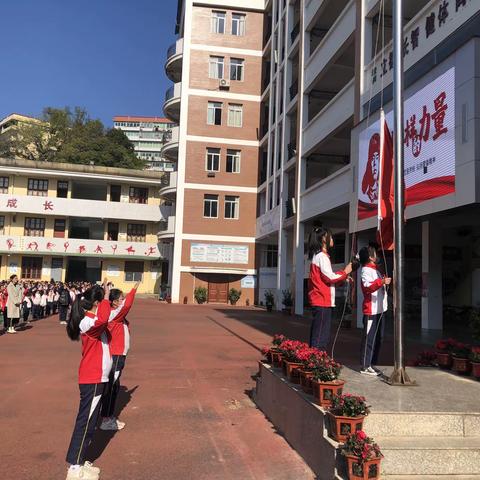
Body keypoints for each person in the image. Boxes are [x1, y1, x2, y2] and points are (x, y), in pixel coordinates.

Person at [65, 281, 111, 480]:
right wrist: (107, 298)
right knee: (85, 421)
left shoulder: (92, 319)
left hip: (97, 376)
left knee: (91, 421)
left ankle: (81, 460)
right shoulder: (88, 322)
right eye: (102, 302)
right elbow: (102, 321)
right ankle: (74, 467)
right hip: (92, 377)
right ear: (97, 303)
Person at [100, 281, 140, 431]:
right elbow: (127, 306)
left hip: (118, 354)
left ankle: (107, 416)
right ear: (115, 302)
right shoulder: (114, 314)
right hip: (116, 354)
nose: (123, 300)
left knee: (114, 386)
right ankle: (106, 419)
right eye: (121, 298)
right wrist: (133, 290)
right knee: (111, 387)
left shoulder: (116, 315)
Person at [307, 227, 352, 351]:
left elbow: (326, 280)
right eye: (330, 236)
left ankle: (314, 362)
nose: (332, 239)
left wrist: (343, 278)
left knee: (319, 335)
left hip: (322, 301)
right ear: (323, 239)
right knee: (320, 337)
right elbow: (329, 278)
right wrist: (345, 272)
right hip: (322, 301)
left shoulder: (320, 256)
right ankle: (315, 364)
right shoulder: (322, 256)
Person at [358, 245, 391, 376]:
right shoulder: (365, 270)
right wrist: (381, 282)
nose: (376, 255)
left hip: (380, 309)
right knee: (369, 338)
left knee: (379, 338)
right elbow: (367, 287)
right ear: (370, 257)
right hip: (371, 310)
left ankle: (371, 363)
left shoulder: (375, 270)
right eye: (374, 253)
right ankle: (365, 365)